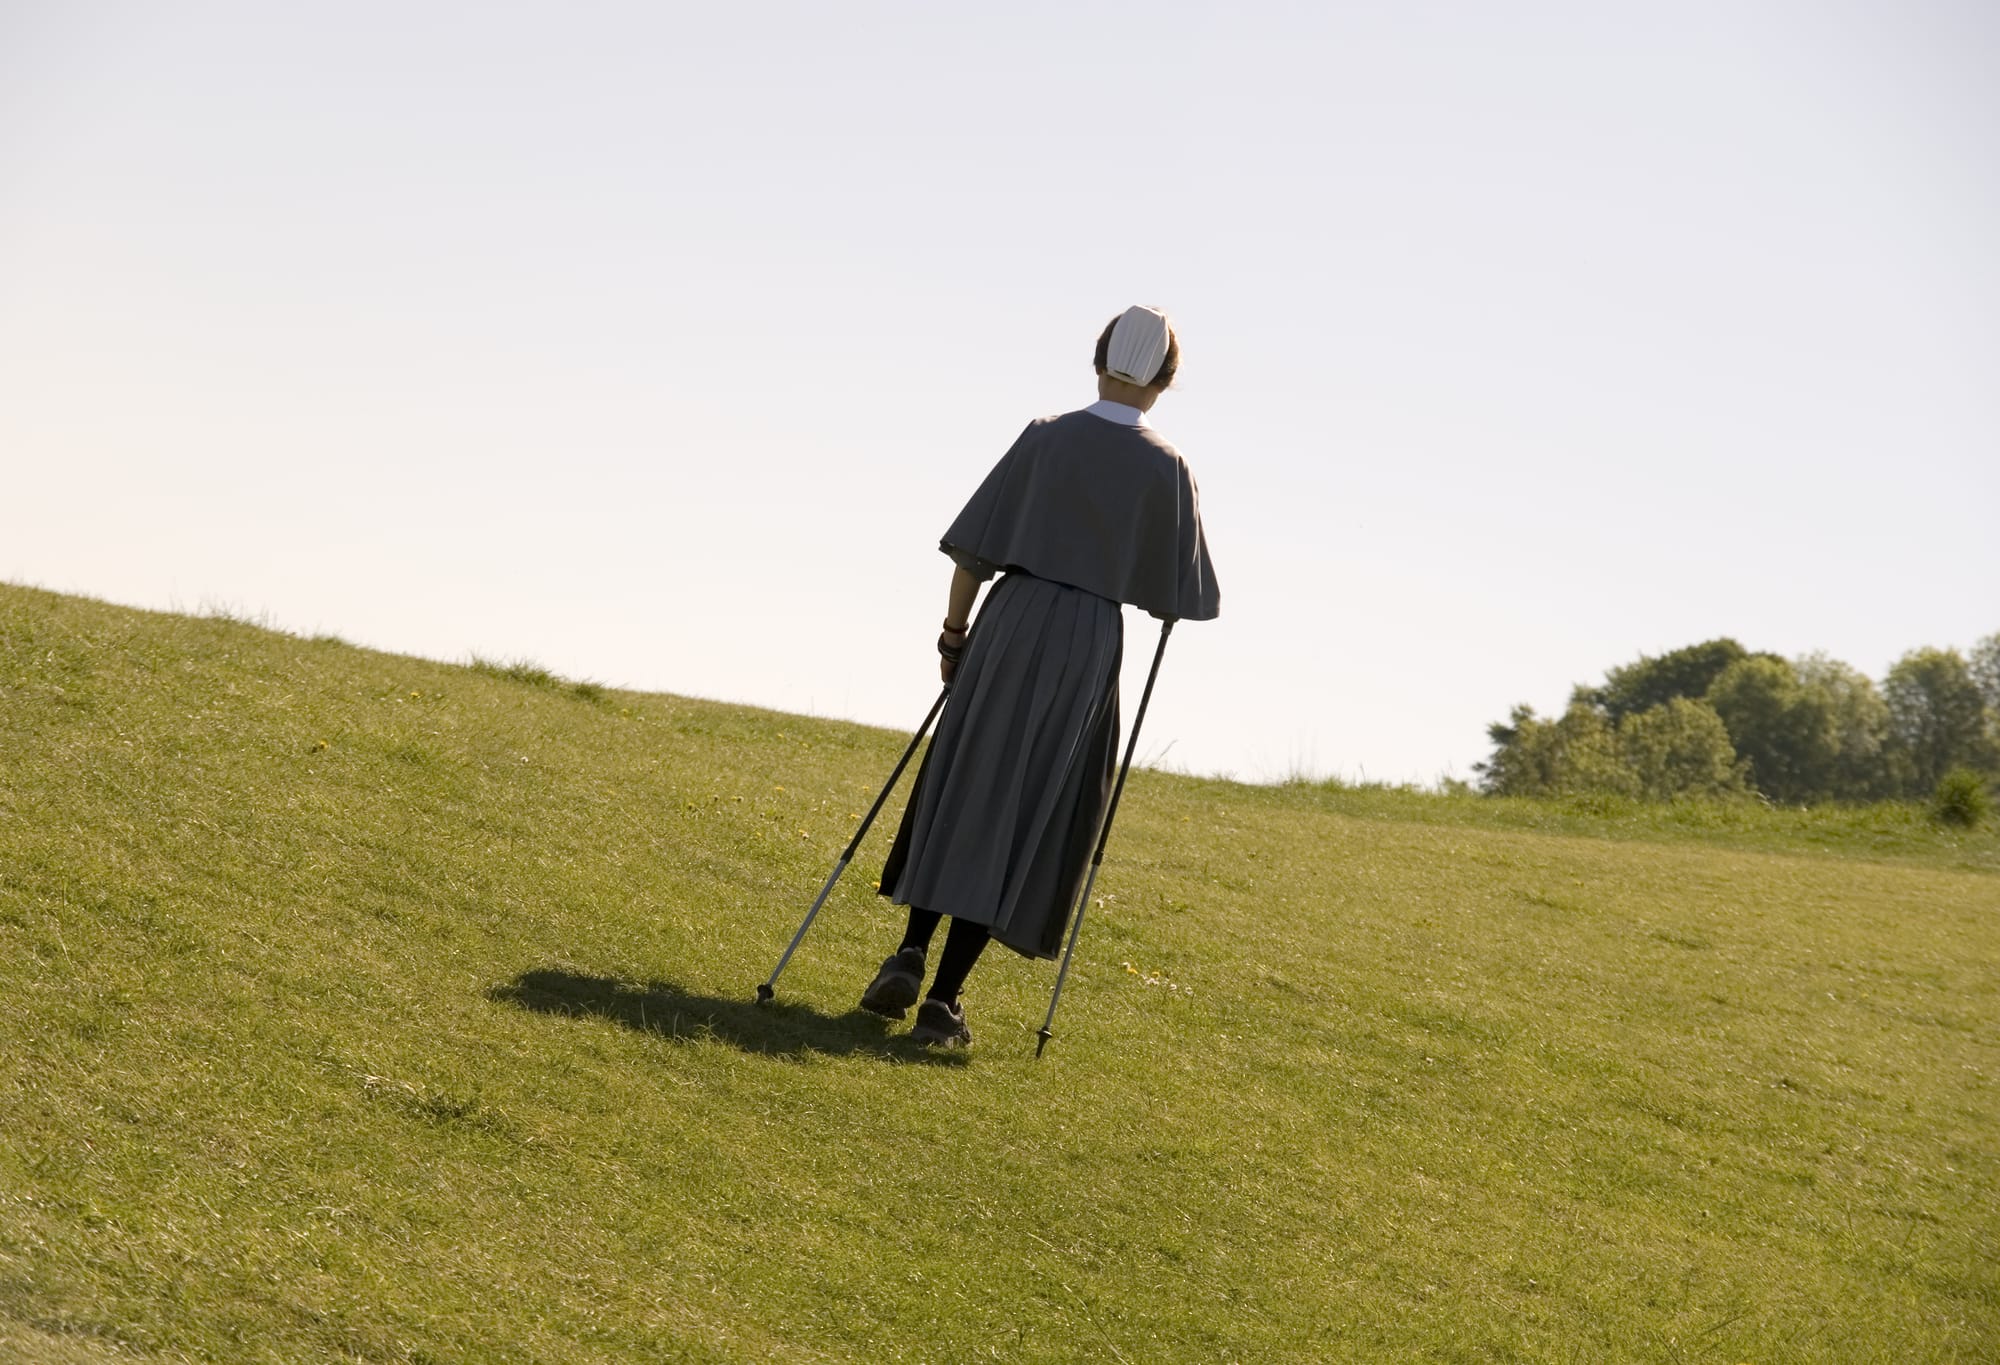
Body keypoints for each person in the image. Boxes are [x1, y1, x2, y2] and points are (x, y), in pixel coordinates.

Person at [861, 305, 1221, 1046]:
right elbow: (1180, 601)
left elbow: (973, 550)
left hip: (1012, 616)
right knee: (1030, 805)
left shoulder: (1045, 436)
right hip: (1088, 643)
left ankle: (910, 950)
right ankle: (944, 999)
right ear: (1163, 380)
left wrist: (955, 635)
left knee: (967, 780)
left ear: (1097, 361)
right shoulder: (1168, 467)